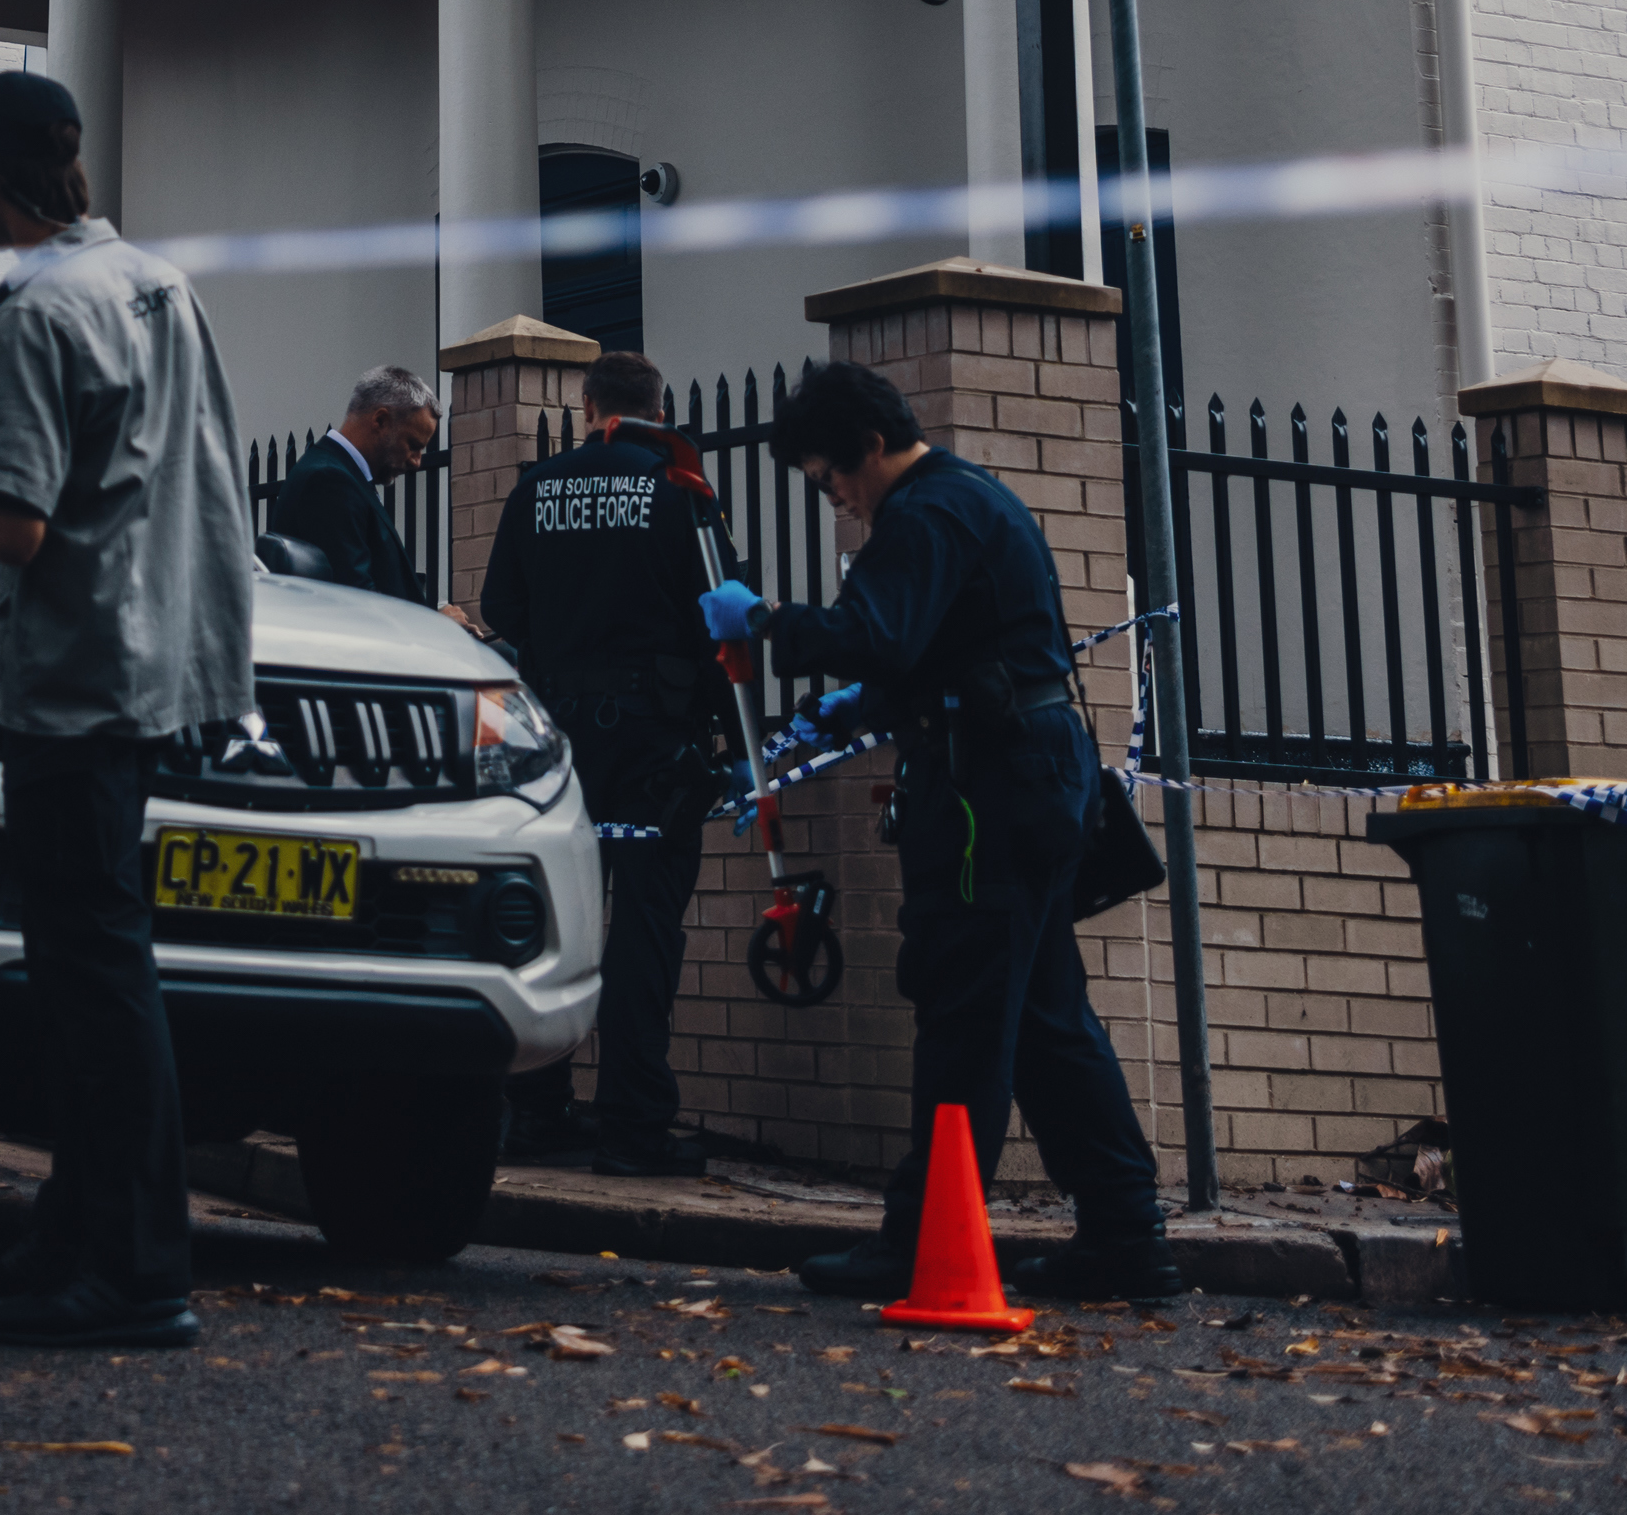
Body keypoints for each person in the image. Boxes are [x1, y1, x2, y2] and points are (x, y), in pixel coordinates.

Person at [701, 359, 1180, 1303]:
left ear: (869, 446)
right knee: (1046, 1020)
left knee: (962, 1012)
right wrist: (856, 708)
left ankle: (921, 1241)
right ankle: (1127, 1235)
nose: (835, 497)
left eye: (831, 476)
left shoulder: (922, 514)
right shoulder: (973, 499)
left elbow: (876, 629)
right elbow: (940, 644)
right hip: (1032, 770)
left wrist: (765, 624)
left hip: (984, 792)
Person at [0, 67, 252, 1351]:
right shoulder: (156, 282)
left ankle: (127, 1266)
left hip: (70, 680)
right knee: (98, 964)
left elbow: (12, 521)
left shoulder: (33, 310)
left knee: (93, 973)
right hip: (151, 659)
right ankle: (75, 1233)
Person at [479, 347, 737, 1178]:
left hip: (560, 737)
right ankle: (633, 1122)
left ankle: (537, 1110)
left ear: (589, 405)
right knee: (646, 925)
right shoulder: (680, 489)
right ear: (655, 408)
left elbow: (500, 609)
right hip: (656, 738)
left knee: (556, 917)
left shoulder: (536, 487)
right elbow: (719, 614)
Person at [259, 362, 438, 602]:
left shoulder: (339, 476)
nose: (417, 462)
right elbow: (356, 599)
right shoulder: (329, 481)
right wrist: (435, 624)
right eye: (413, 446)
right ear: (381, 420)